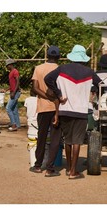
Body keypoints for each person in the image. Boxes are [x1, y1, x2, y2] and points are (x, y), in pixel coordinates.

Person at [45, 44, 102, 179]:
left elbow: (48, 79)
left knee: (68, 140)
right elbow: (101, 84)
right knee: (76, 141)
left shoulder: (62, 68)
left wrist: (58, 93)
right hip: (81, 111)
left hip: (64, 110)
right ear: (83, 58)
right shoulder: (89, 72)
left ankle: (68, 169)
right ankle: (73, 171)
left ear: (72, 56)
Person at [29, 45, 62, 177]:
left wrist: (45, 97)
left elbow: (35, 88)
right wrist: (52, 98)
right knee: (55, 138)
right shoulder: (60, 70)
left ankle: (38, 165)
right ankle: (50, 168)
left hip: (42, 107)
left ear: (47, 56)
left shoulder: (38, 68)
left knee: (41, 136)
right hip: (56, 108)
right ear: (59, 56)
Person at [5, 59, 21, 132]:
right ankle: (17, 124)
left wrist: (14, 92)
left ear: (10, 65)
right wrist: (7, 89)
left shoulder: (15, 71)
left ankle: (13, 124)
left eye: (7, 66)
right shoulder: (11, 72)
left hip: (15, 92)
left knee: (8, 108)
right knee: (14, 109)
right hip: (13, 91)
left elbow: (17, 82)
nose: (6, 67)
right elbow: (13, 84)